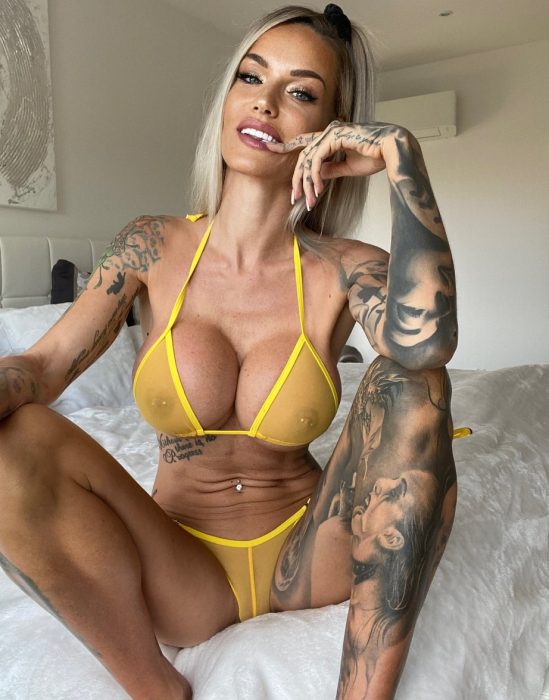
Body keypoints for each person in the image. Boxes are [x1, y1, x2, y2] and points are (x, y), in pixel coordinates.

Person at [0, 4, 458, 699]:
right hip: (183, 570)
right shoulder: (151, 245)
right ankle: (156, 689)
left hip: (310, 554)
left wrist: (402, 158)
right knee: (14, 440)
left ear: (329, 132)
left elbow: (427, 346)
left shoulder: (344, 266)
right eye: (251, 77)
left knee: (414, 386)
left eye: (300, 92)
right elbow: (40, 369)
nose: (265, 103)